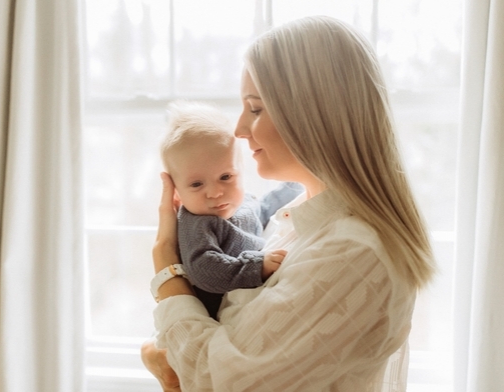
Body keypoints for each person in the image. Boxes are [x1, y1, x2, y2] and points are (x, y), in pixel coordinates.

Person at [142, 15, 436, 392]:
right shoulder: (294, 221)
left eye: (255, 108)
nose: (239, 129)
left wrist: (166, 267)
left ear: (313, 115)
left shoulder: (352, 252)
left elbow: (219, 379)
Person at [160, 101, 303, 319]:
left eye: (226, 177)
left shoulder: (243, 203)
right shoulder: (197, 223)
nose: (216, 192)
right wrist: (256, 267)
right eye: (197, 184)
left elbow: (265, 210)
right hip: (209, 320)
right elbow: (205, 269)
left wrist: (295, 182)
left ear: (240, 172)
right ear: (177, 194)